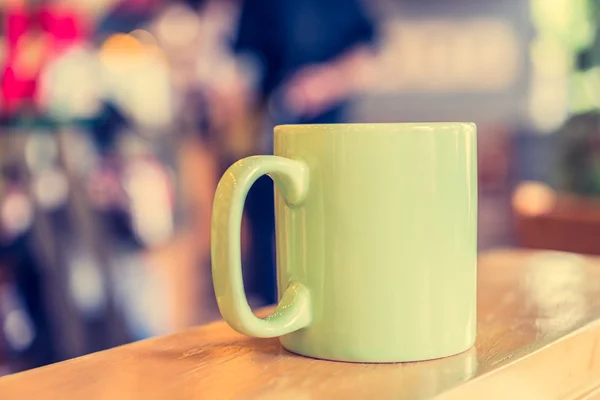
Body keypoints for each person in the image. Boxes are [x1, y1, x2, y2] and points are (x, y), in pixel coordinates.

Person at [230, 0, 377, 304]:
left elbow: (367, 58)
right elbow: (243, 60)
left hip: (329, 137)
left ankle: (331, 303)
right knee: (267, 225)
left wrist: (325, 84)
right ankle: (270, 310)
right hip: (268, 132)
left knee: (326, 225)